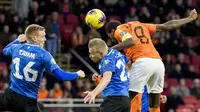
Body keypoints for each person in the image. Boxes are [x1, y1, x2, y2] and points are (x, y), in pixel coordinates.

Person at [105, 9, 198, 112]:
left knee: (134, 96)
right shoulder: (141, 25)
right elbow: (165, 26)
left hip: (142, 63)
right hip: (157, 63)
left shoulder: (119, 29)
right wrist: (189, 19)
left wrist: (110, 49)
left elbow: (130, 41)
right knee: (154, 101)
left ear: (112, 31)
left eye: (111, 36)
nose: (113, 39)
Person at [1, 24, 85, 112]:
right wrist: (77, 74)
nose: (45, 39)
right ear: (34, 38)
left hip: (9, 95)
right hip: (27, 101)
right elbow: (61, 75)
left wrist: (17, 40)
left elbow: (5, 50)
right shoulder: (44, 55)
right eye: (42, 37)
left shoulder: (17, 47)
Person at [84, 38, 130, 112]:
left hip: (113, 99)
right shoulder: (116, 53)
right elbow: (128, 63)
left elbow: (107, 79)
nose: (90, 56)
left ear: (101, 53)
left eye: (92, 53)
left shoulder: (106, 59)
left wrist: (94, 92)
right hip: (125, 99)